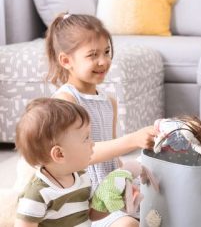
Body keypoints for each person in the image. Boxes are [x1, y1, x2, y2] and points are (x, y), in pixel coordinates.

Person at [45, 13, 157, 227]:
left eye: (106, 52)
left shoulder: (109, 101)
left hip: (110, 188)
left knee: (159, 195)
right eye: (93, 55)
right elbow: (80, 156)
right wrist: (132, 140)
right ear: (66, 60)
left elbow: (111, 157)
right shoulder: (65, 100)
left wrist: (126, 178)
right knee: (128, 224)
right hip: (84, 199)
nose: (103, 61)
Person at [14, 98, 108, 226]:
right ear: (60, 154)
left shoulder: (82, 177)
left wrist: (112, 200)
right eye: (86, 138)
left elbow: (91, 214)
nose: (92, 143)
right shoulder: (37, 194)